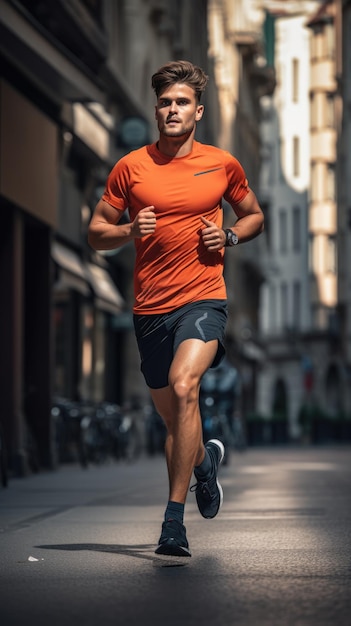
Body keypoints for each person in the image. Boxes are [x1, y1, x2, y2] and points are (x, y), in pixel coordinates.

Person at [88, 60, 264, 557]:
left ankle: (172, 523)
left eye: (181, 102)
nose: (172, 109)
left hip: (204, 297)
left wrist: (228, 234)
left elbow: (253, 216)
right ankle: (204, 463)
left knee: (187, 387)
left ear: (197, 111)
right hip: (149, 309)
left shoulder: (222, 163)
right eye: (165, 102)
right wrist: (127, 231)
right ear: (156, 108)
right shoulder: (131, 167)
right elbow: (96, 231)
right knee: (174, 419)